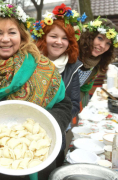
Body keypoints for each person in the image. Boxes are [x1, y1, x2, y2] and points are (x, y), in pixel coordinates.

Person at [0, 2, 72, 180]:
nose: (5, 39)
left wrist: (48, 124)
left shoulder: (44, 67)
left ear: (22, 37)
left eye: (12, 32)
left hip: (39, 159)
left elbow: (64, 104)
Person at [30, 3, 86, 167]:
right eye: (53, 36)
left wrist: (53, 120)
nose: (59, 42)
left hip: (55, 129)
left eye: (65, 38)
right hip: (27, 127)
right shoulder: (30, 63)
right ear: (43, 37)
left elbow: (74, 103)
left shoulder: (72, 67)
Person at [78, 17, 118, 107]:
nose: (103, 46)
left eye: (108, 43)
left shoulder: (96, 65)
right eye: (100, 38)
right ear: (90, 36)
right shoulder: (72, 53)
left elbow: (84, 89)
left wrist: (72, 105)